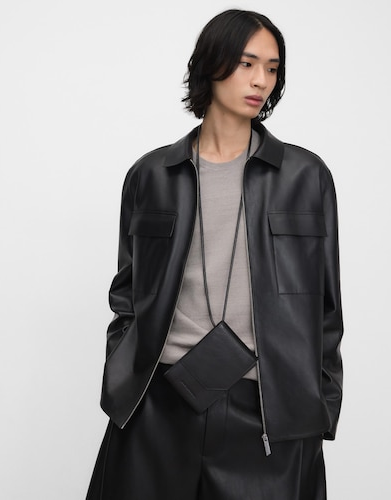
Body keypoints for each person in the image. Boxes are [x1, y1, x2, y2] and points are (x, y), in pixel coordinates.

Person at [86, 9, 343, 500]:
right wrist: (123, 382)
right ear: (212, 64)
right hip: (158, 404)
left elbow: (327, 308)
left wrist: (319, 407)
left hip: (267, 412)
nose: (261, 80)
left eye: (272, 68)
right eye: (248, 64)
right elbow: (127, 295)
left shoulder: (306, 177)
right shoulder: (151, 175)